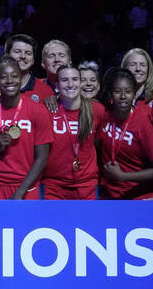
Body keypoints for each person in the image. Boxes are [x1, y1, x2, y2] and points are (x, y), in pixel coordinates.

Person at [0, 55, 53, 199]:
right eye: (3, 77)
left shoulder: (38, 111)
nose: (9, 81)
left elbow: (42, 158)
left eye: (14, 76)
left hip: (27, 187)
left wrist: (21, 191)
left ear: (21, 79)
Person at [96, 67, 153, 200]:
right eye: (117, 91)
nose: (122, 96)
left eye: (128, 91)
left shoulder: (144, 122)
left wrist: (123, 176)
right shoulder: (105, 116)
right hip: (108, 194)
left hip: (137, 195)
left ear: (134, 93)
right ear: (110, 94)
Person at [40, 65, 105, 199]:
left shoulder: (97, 110)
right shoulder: (47, 111)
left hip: (87, 185)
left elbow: (99, 143)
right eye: (64, 80)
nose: (70, 84)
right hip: (54, 186)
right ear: (56, 85)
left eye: (75, 79)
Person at [0, 34, 53, 105]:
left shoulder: (45, 91)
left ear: (33, 60)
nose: (23, 56)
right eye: (17, 51)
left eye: (28, 53)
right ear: (7, 55)